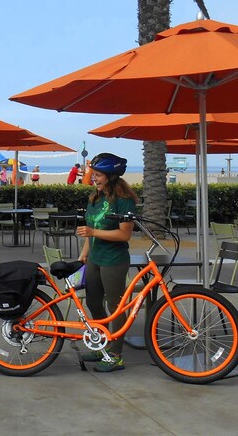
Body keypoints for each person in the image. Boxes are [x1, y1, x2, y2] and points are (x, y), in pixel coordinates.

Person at [75, 153, 138, 373]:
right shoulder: (95, 198)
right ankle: (102, 343)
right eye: (94, 174)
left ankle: (116, 355)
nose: (94, 179)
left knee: (115, 307)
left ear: (111, 176)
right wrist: (85, 252)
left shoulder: (124, 200)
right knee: (93, 302)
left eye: (99, 175)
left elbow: (124, 235)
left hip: (114, 260)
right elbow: (89, 229)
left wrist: (93, 232)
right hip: (95, 258)